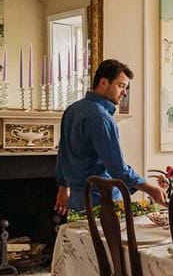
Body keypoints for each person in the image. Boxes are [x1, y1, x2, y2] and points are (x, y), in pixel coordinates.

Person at [54, 59, 166, 215]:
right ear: (103, 82)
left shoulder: (71, 110)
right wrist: (150, 188)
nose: (124, 92)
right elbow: (117, 168)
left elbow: (62, 153)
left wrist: (63, 188)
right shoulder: (102, 118)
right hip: (102, 203)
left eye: (125, 88)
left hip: (76, 202)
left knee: (80, 240)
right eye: (120, 86)